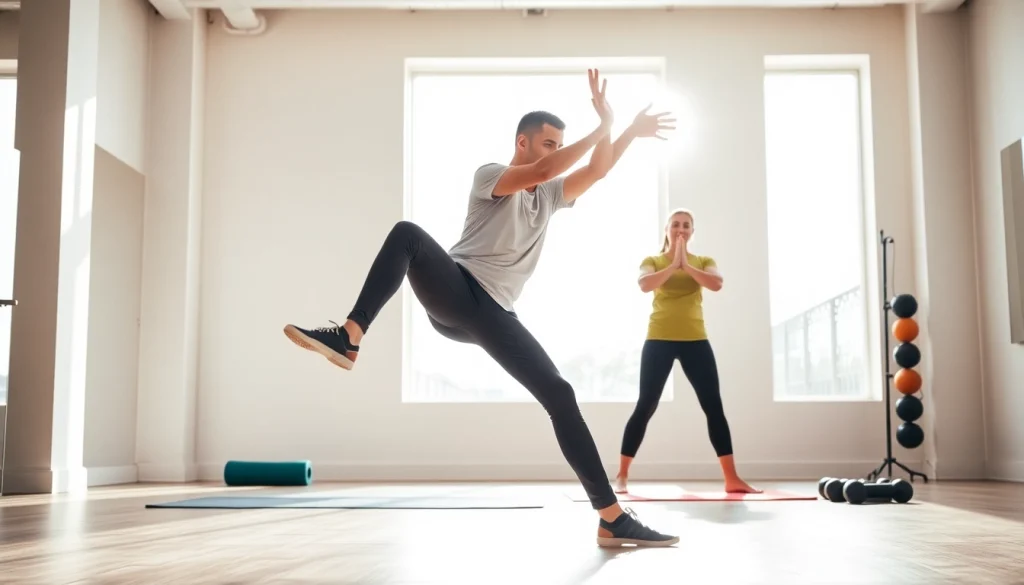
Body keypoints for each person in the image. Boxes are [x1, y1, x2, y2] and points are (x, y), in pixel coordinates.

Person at [283, 70, 680, 547]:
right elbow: (540, 173)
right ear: (523, 143)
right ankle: (350, 336)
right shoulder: (492, 176)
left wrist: (626, 133)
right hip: (455, 290)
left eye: (560, 145)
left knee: (560, 393)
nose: (555, 152)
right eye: (550, 143)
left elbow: (595, 170)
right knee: (407, 233)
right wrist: (602, 127)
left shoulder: (550, 200)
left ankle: (610, 517)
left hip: (493, 315)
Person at [614, 208, 760, 495]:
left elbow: (716, 283)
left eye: (686, 225)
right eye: (676, 224)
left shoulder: (704, 261)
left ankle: (732, 479)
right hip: (659, 339)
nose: (681, 229)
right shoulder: (652, 261)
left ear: (692, 232)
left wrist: (686, 265)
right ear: (667, 229)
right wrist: (673, 265)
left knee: (713, 407)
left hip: (695, 340)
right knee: (646, 406)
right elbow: (645, 284)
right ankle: (621, 476)